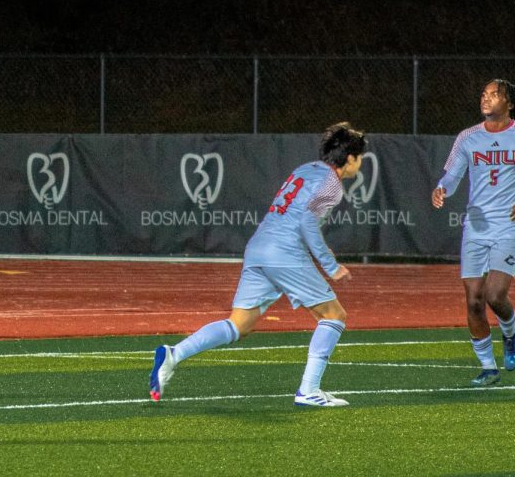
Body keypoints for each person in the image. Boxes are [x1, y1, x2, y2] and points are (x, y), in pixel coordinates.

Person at [150, 122, 367, 408]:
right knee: (334, 315)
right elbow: (304, 221)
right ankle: (309, 390)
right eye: (360, 157)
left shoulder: (304, 170)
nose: (360, 163)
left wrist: (318, 247)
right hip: (284, 252)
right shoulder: (333, 184)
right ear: (349, 158)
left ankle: (173, 354)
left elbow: (296, 214)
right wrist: (330, 265)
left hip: (259, 247)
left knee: (239, 324)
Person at [431, 79, 515, 387]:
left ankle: (511, 332)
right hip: (476, 225)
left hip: (510, 224)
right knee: (474, 299)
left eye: (494, 94)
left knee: (494, 294)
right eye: (483, 94)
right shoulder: (468, 137)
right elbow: (453, 173)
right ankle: (488, 367)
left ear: (509, 103)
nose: (485, 99)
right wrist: (441, 188)